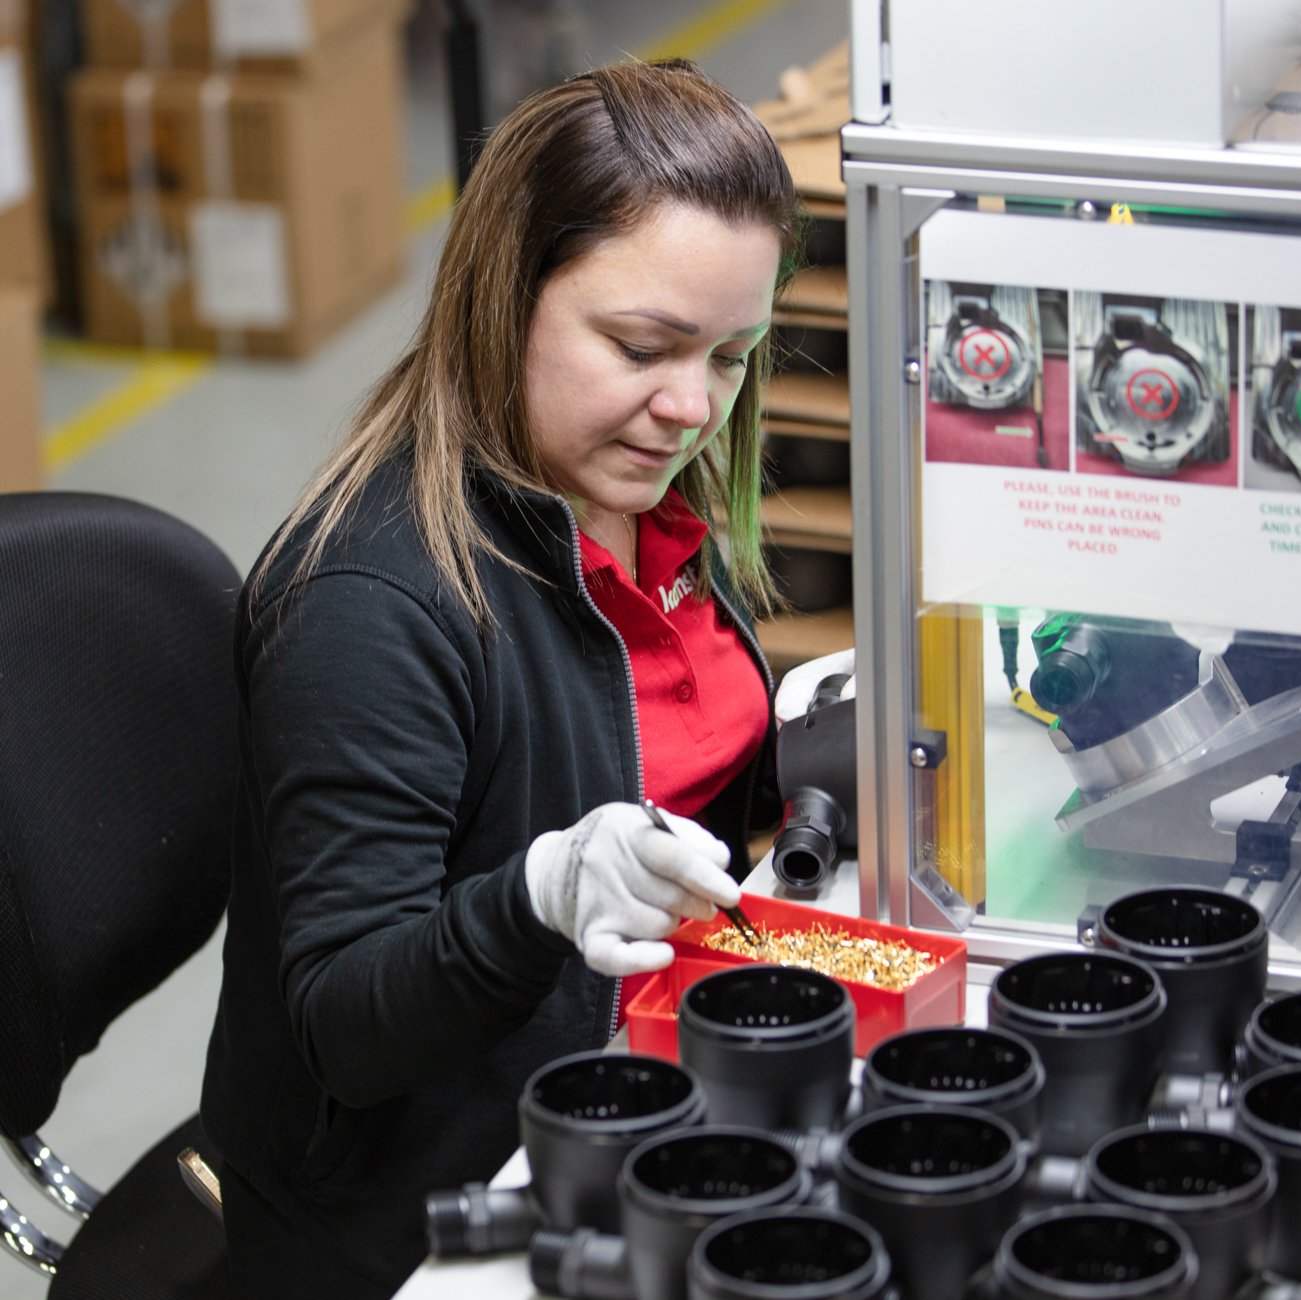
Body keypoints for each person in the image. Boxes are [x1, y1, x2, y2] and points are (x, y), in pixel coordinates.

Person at [199, 61, 799, 1299]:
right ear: (504, 298)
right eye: (644, 346)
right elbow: (342, 1025)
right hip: (427, 1230)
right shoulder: (368, 606)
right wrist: (537, 895)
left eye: (733, 356)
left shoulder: (628, 488)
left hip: (627, 1097)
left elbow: (669, 745)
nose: (692, 406)